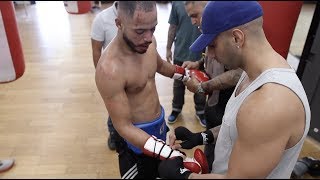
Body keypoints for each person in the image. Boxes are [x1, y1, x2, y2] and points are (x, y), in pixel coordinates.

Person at [158, 1, 311, 179]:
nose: (210, 54)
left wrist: (185, 177)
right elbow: (238, 128)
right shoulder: (251, 74)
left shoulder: (270, 102)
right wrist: (202, 137)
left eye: (213, 45)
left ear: (237, 38)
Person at [95, 1, 208, 178]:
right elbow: (124, 126)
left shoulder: (147, 43)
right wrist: (168, 153)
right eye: (140, 31)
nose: (148, 37)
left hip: (159, 127)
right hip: (134, 143)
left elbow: (162, 66)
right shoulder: (109, 70)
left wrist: (186, 76)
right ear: (119, 24)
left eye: (153, 29)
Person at [182, 1, 242, 171]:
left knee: (224, 154)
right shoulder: (210, 33)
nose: (193, 21)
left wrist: (202, 87)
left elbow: (238, 73)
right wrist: (198, 64)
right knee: (210, 149)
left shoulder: (229, 33)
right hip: (213, 104)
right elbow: (212, 59)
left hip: (227, 106)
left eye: (195, 15)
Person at [166, 1, 207, 127]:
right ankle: (176, 109)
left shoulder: (204, 3)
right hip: (180, 52)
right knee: (178, 84)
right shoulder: (176, 4)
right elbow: (173, 26)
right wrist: (168, 48)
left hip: (200, 54)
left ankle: (200, 111)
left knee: (200, 83)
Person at [91, 1, 118, 151]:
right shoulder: (102, 19)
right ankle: (113, 134)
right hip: (112, 75)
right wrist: (101, 75)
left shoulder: (137, 14)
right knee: (114, 107)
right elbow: (96, 50)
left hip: (134, 71)